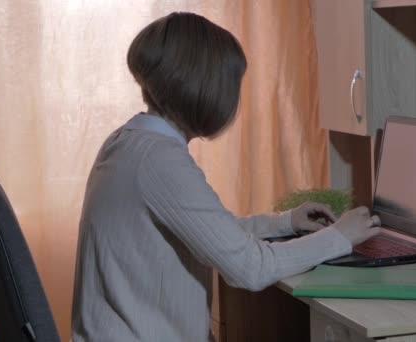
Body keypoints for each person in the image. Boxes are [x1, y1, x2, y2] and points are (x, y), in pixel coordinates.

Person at [71, 12, 380, 342]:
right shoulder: (159, 160)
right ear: (204, 88)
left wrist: (286, 223)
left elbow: (206, 230)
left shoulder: (127, 141)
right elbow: (250, 268)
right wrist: (340, 237)